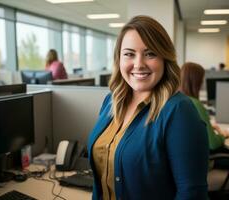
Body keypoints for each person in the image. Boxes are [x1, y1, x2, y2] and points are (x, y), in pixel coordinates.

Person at [87, 15, 209, 200]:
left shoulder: (179, 111)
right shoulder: (110, 102)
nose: (138, 64)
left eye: (150, 53)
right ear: (119, 59)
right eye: (129, 54)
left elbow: (192, 194)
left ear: (164, 58)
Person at [179, 62, 229, 153]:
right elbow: (213, 144)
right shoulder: (195, 104)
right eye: (201, 79)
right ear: (197, 82)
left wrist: (209, 127)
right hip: (203, 161)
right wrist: (222, 135)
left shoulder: (177, 100)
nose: (202, 83)